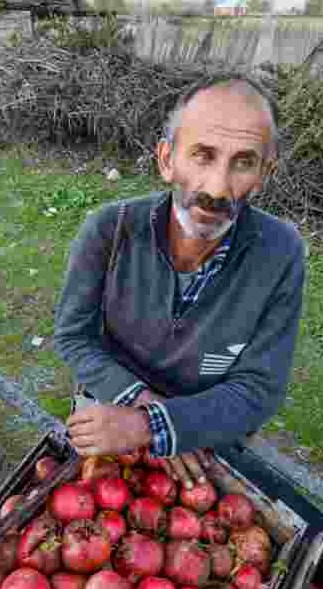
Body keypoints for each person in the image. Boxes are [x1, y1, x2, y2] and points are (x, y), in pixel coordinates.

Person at [53, 74, 306, 490]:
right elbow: (74, 336)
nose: (217, 188)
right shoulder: (108, 230)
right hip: (114, 403)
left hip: (210, 427)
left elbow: (260, 387)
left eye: (243, 162)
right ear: (167, 159)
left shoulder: (280, 253)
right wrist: (151, 418)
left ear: (264, 173)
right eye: (203, 155)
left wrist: (164, 427)